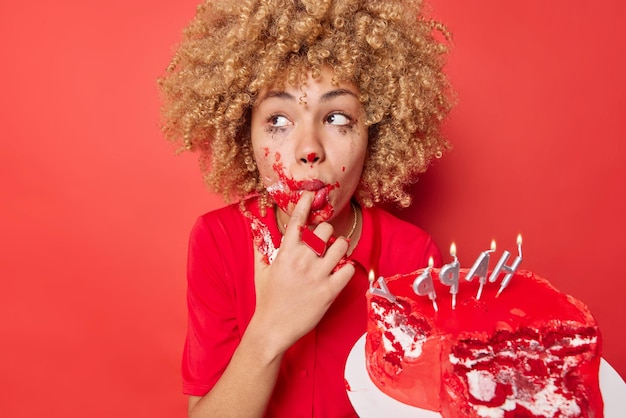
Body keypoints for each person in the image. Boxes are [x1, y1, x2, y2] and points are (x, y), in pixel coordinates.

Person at [158, 0, 453, 416]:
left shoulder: (413, 257)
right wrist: (270, 329)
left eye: (336, 117)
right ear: (246, 136)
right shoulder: (218, 241)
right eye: (279, 121)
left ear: (375, 134)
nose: (310, 150)